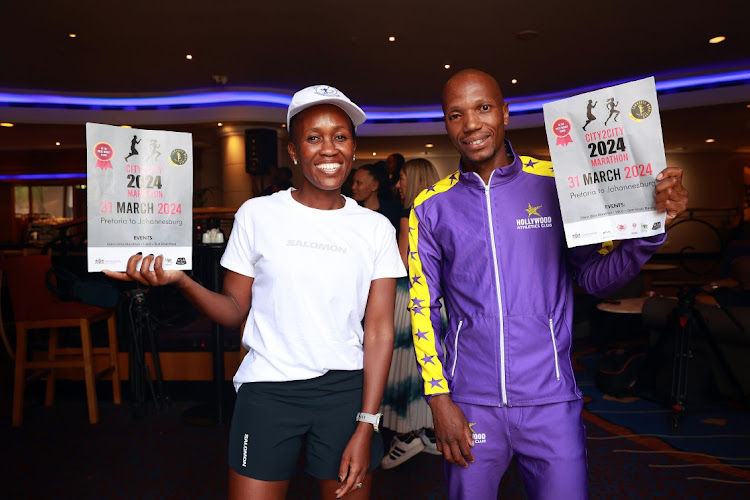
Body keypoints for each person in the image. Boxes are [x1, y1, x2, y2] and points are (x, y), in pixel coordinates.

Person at [105, 84, 406, 500]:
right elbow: (232, 311)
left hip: (345, 394)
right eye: (313, 137)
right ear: (294, 151)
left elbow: (378, 331)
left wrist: (366, 422)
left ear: (353, 148)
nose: (329, 148)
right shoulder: (257, 214)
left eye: (340, 136)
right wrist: (181, 281)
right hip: (267, 391)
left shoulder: (375, 228)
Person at [407, 69, 689, 499]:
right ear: (445, 123)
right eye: (455, 114)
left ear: (504, 112)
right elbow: (422, 307)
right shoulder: (430, 208)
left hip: (551, 400)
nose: (471, 125)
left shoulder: (556, 184)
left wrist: (648, 232)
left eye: (483, 108)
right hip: (470, 403)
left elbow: (594, 277)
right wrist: (439, 399)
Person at [380, 158, 443, 469]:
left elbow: (403, 263)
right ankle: (430, 432)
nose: (398, 184)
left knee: (405, 367)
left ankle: (406, 436)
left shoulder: (409, 213)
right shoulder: (442, 208)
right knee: (431, 365)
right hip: (439, 297)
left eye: (402, 177)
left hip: (410, 296)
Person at [351, 163, 402, 234]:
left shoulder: (393, 213)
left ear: (374, 186)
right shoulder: (351, 212)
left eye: (359, 183)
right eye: (353, 182)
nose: (353, 187)